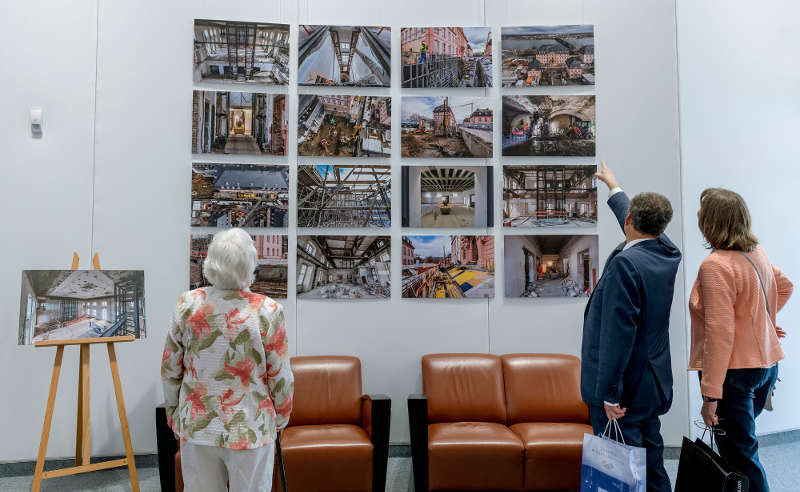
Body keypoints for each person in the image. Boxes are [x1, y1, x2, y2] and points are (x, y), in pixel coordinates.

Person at [162, 228, 294, 492]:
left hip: (197, 426)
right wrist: (281, 418)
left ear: (211, 262)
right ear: (250, 264)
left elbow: (170, 368)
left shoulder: (187, 304)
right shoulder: (268, 311)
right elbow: (280, 376)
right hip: (251, 427)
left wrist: (173, 413)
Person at [581, 161, 682, 492]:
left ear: (629, 222)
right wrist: (614, 186)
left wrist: (610, 393)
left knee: (619, 474)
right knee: (652, 466)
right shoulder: (667, 251)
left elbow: (617, 337)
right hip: (651, 385)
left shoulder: (627, 265)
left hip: (623, 393)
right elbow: (639, 216)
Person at [689, 188, 793, 492]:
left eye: (702, 211)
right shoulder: (755, 251)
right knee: (742, 450)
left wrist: (710, 398)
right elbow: (784, 286)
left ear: (712, 221)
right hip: (765, 367)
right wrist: (765, 324)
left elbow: (720, 334)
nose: (698, 215)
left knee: (741, 460)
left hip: (733, 375)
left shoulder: (715, 265)